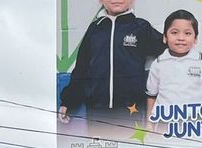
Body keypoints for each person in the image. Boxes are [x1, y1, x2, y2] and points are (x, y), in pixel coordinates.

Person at [58, 0, 165, 130]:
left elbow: (169, 49)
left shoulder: (141, 28)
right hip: (97, 109)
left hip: (132, 109)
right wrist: (68, 101)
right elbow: (81, 69)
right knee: (101, 143)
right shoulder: (94, 29)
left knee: (128, 143)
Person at [146, 10, 202, 112]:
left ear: (195, 38)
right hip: (165, 118)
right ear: (165, 37)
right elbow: (151, 96)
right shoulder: (158, 64)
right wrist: (149, 120)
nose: (181, 38)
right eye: (174, 33)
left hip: (195, 118)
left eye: (187, 33)